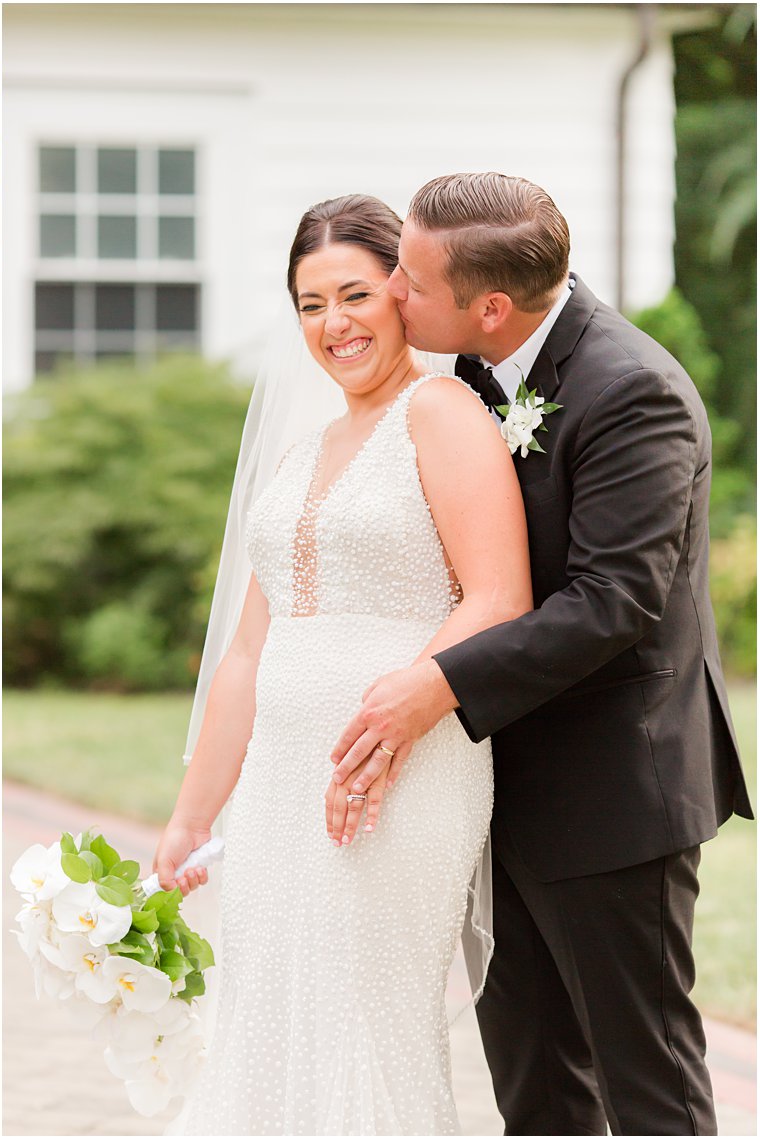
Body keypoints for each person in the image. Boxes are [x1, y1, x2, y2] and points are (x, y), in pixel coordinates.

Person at [327, 172, 751, 1135]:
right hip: (490, 788)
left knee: (646, 1079)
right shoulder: (468, 375)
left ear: (490, 305)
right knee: (535, 1085)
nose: (392, 293)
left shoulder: (633, 391)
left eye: (410, 281)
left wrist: (432, 686)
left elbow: (614, 604)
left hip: (613, 793)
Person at [154, 194, 532, 1134]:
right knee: (269, 1014)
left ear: (401, 292)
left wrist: (393, 718)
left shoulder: (440, 413)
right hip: (282, 784)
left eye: (354, 294)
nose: (334, 325)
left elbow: (498, 599)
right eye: (310, 304)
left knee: (364, 1017)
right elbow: (248, 650)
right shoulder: (298, 453)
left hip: (406, 765)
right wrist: (190, 815)